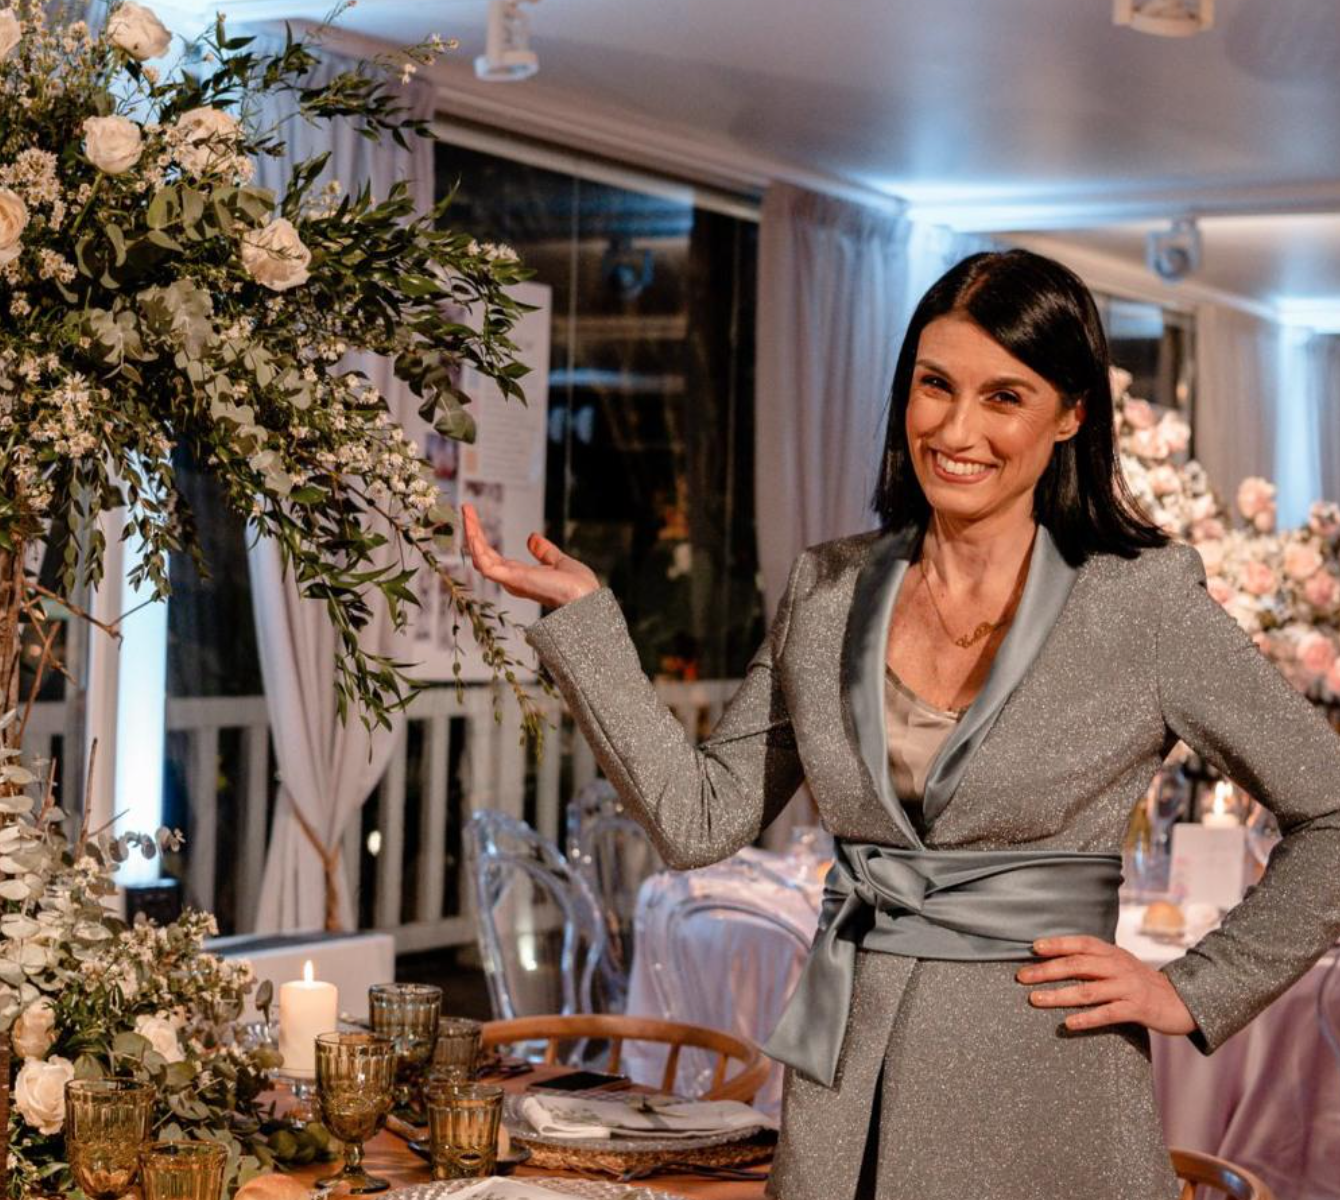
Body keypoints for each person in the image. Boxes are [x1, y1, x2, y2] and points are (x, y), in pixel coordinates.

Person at [461, 249, 1340, 1199]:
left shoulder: (1143, 606)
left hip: (1045, 1102)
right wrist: (586, 626)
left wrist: (1189, 988)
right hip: (845, 1097)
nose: (956, 430)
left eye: (1005, 397)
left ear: (1072, 415)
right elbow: (700, 819)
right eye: (935, 385)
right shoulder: (827, 591)